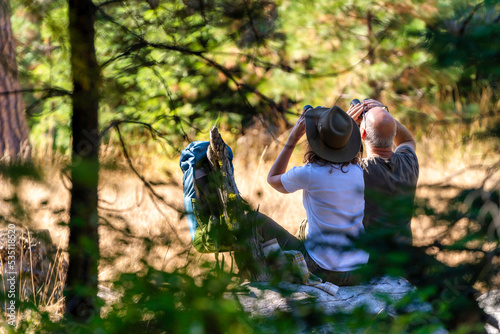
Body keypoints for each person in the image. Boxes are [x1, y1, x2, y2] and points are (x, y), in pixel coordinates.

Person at [264, 105, 368, 286]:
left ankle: (275, 279)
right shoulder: (357, 170)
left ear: (315, 141)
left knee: (254, 219)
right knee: (305, 226)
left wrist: (293, 138)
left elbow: (272, 179)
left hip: (325, 270)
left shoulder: (310, 173)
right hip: (359, 269)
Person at [346, 99, 419, 247]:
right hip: (404, 253)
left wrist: (344, 126)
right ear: (394, 133)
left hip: (371, 260)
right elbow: (407, 140)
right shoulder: (409, 162)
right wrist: (386, 117)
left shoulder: (358, 171)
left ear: (363, 133)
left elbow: (329, 161)